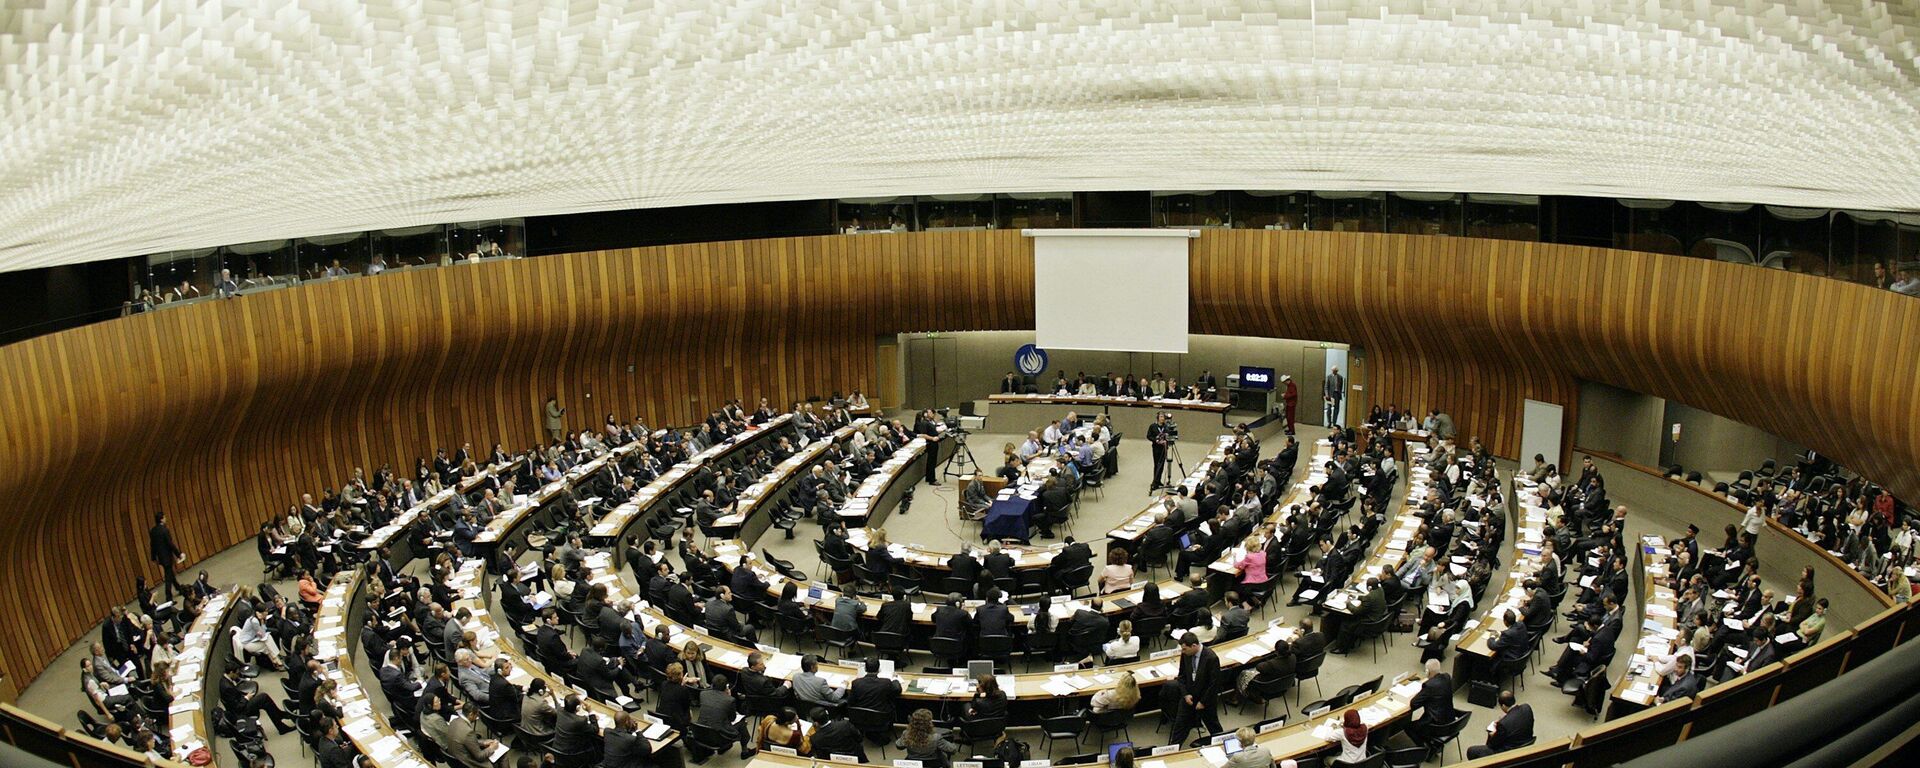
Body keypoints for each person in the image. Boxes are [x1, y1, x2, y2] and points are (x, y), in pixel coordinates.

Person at [1167, 632, 1221, 747]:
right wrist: (1185, 694)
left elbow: (1214, 684)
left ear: (1194, 646)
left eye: (1185, 649)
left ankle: (1223, 746)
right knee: (1179, 726)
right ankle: (1173, 750)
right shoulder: (1186, 654)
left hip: (1205, 700)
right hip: (1188, 697)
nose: (1183, 651)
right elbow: (1181, 677)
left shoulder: (1211, 658)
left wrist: (1203, 702)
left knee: (1214, 727)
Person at [695, 673, 755, 760]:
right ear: (727, 687)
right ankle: (745, 752)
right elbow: (732, 718)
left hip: (702, 732)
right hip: (719, 736)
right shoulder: (729, 700)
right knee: (742, 722)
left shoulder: (703, 694)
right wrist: (728, 696)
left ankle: (723, 749)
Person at [1467, 690, 1534, 759]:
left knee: (1472, 751)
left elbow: (1492, 745)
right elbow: (1517, 721)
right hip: (1526, 743)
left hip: (1510, 752)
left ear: (1503, 705)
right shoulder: (1527, 707)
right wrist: (1506, 718)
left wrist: (1492, 734)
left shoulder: (1503, 724)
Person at [1406, 659, 1457, 745]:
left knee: (1408, 727)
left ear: (1427, 672)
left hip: (1436, 724)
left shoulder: (1429, 685)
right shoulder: (1447, 677)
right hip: (1450, 720)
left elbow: (1414, 704)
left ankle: (1425, 748)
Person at [895, 708, 959, 767]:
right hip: (934, 764)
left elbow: (899, 746)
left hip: (913, 764)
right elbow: (953, 750)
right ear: (929, 723)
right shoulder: (936, 737)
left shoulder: (906, 734)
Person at [148, 512, 185, 600]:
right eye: (164, 517)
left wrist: (153, 556)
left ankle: (178, 588)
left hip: (161, 557)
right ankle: (168, 597)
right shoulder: (164, 530)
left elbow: (152, 545)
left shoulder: (153, 531)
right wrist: (178, 554)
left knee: (170, 573)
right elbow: (170, 544)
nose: (166, 519)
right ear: (161, 519)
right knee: (168, 577)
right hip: (167, 557)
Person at [1148, 412, 1175, 490]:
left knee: (1162, 465)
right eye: (1161, 416)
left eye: (1163, 417)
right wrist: (1156, 440)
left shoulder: (1166, 426)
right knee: (1157, 465)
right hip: (1156, 448)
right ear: (1157, 418)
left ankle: (1158, 480)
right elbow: (1148, 436)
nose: (1162, 418)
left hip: (1164, 448)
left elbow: (1170, 435)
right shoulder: (1153, 426)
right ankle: (1155, 481)